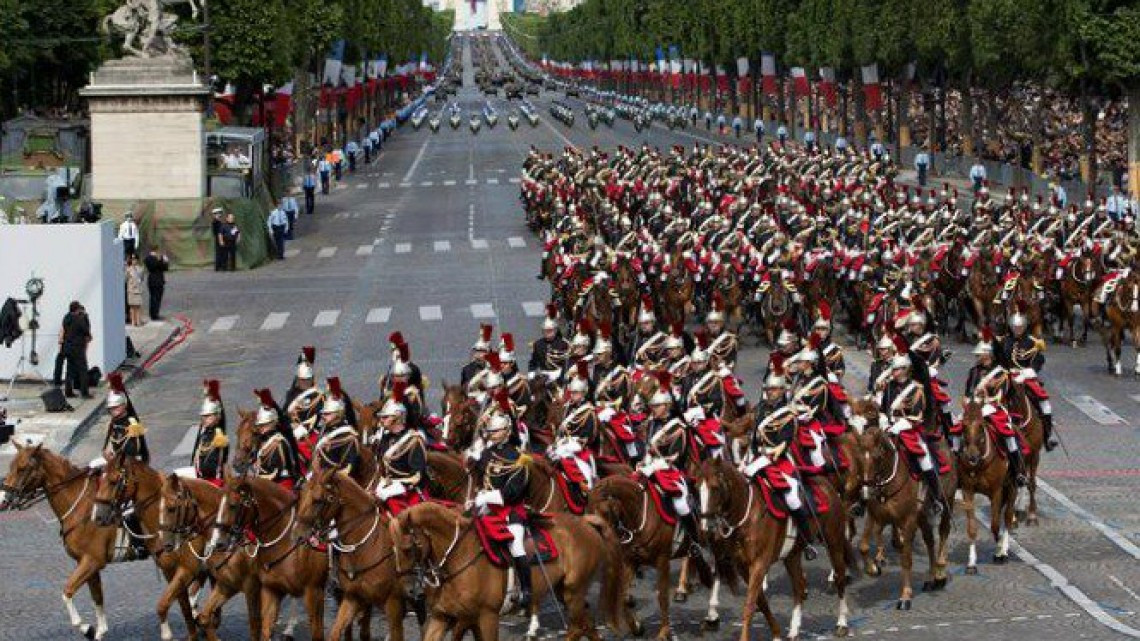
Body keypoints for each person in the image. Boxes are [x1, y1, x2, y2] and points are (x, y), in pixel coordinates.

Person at [467, 391, 533, 610]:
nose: (492, 435)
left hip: (510, 511)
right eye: (490, 431)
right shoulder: (487, 453)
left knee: (516, 547)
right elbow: (480, 478)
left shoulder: (518, 458)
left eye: (496, 432)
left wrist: (490, 496)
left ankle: (526, 590)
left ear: (506, 432)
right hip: (487, 507)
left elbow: (514, 491)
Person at [191, 379, 229, 487]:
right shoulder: (203, 434)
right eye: (204, 416)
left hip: (216, 483)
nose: (205, 419)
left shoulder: (220, 435)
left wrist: (216, 396)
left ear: (217, 417)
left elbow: (222, 419)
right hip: (201, 481)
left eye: (208, 416)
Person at [54, 302, 92, 398]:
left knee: (70, 370)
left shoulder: (66, 317)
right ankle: (84, 392)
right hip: (77, 347)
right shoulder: (79, 319)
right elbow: (86, 331)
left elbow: (64, 330)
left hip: (67, 347)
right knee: (83, 370)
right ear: (77, 309)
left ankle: (68, 391)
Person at [142, 246, 169, 321]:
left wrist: (165, 261)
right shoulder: (151, 258)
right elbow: (155, 266)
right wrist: (161, 260)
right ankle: (154, 315)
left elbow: (165, 268)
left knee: (156, 298)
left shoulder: (154, 258)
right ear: (155, 251)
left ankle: (155, 313)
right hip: (155, 280)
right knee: (155, 298)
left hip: (156, 280)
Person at [125, 255, 145, 327]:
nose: (134, 261)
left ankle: (138, 321)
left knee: (138, 306)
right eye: (132, 259)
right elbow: (125, 279)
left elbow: (142, 278)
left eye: (135, 259)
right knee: (132, 307)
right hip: (131, 289)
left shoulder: (141, 269)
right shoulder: (128, 269)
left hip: (138, 289)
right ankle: (133, 321)